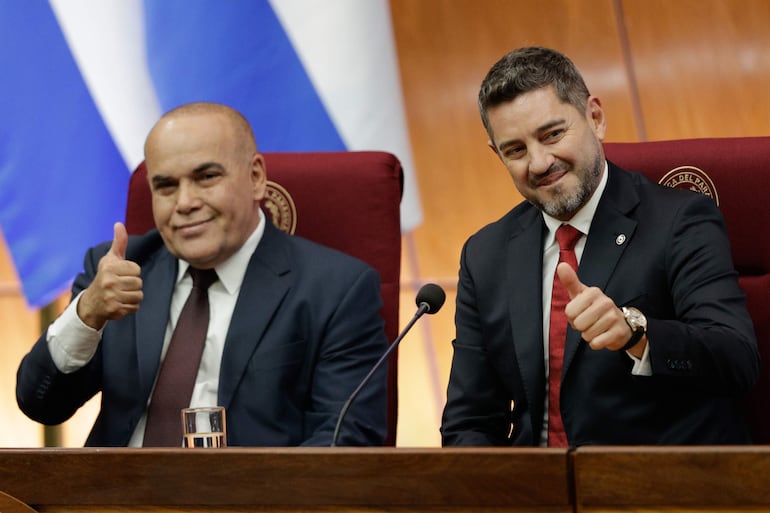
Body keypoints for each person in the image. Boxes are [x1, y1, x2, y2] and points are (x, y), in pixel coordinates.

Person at [17, 102, 389, 447]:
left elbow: (345, 442)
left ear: (256, 178)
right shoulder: (120, 269)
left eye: (206, 177)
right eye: (166, 186)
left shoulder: (335, 289)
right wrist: (87, 316)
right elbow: (41, 405)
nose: (185, 203)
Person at [441, 46, 760, 446]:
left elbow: (737, 359)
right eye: (516, 150)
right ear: (497, 155)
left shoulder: (680, 221)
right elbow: (470, 421)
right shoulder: (484, 254)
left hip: (652, 489)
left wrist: (637, 334)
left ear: (595, 117)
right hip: (533, 492)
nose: (539, 163)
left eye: (552, 134)